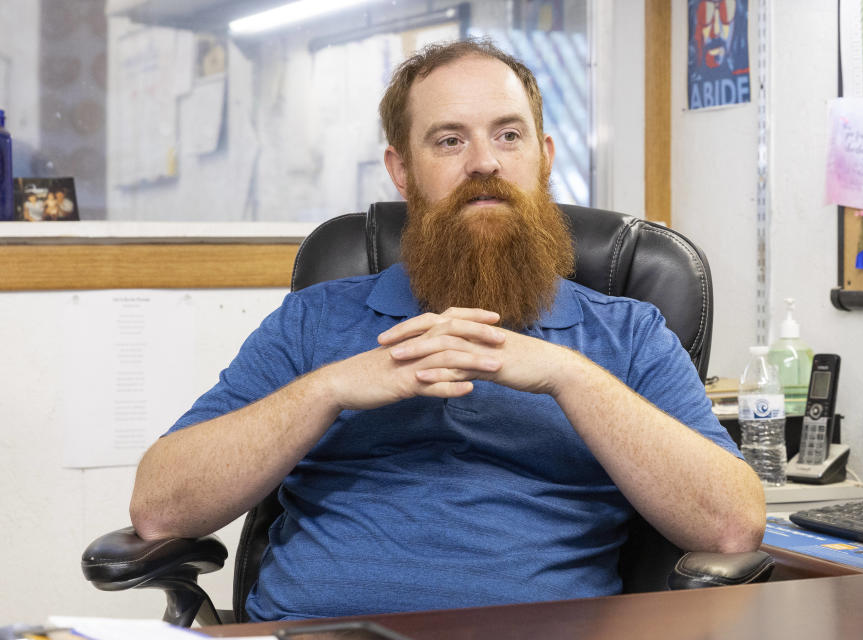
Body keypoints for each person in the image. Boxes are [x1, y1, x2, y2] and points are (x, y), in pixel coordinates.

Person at [129, 39, 765, 621]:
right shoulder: (314, 320)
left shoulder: (627, 333)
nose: (484, 162)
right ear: (402, 170)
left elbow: (731, 529)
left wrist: (567, 377)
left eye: (508, 135)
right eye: (449, 141)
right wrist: (329, 391)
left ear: (542, 158)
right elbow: (160, 509)